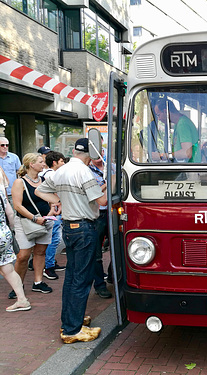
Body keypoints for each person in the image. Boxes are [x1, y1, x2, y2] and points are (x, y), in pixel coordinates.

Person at [35, 138, 106, 344]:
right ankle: (72, 330)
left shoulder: (61, 170)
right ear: (91, 154)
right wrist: (106, 185)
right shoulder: (85, 172)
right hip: (84, 227)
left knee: (72, 276)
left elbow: (40, 191)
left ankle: (70, 320)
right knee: (82, 279)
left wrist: (59, 201)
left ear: (74, 151)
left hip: (69, 227)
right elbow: (100, 201)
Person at [10, 153, 56, 299]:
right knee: (23, 255)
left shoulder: (44, 180)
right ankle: (18, 284)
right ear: (31, 164)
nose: (44, 164)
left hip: (45, 220)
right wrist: (34, 218)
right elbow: (17, 206)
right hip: (26, 222)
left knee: (41, 251)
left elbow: (52, 198)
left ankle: (38, 282)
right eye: (41, 162)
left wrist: (52, 210)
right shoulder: (20, 182)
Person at [0, 180, 31, 312]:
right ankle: (22, 300)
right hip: (3, 232)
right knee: (7, 268)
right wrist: (10, 229)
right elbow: (10, 213)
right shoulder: (1, 191)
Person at [88, 150, 112, 299]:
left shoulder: (113, 166)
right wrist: (107, 183)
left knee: (119, 246)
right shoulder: (86, 171)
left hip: (114, 210)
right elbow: (93, 193)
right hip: (98, 213)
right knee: (96, 252)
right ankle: (99, 285)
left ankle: (113, 275)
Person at [39, 151, 66, 280]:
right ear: (55, 162)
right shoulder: (52, 175)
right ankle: (48, 266)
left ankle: (50, 263)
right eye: (61, 161)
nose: (64, 163)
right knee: (53, 239)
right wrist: (56, 204)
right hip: (54, 211)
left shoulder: (50, 174)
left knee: (54, 238)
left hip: (54, 210)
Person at [0, 136, 21, 205]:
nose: (5, 147)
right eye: (2, 145)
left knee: (12, 214)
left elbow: (20, 172)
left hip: (12, 192)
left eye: (7, 145)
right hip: (1, 192)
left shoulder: (14, 157)